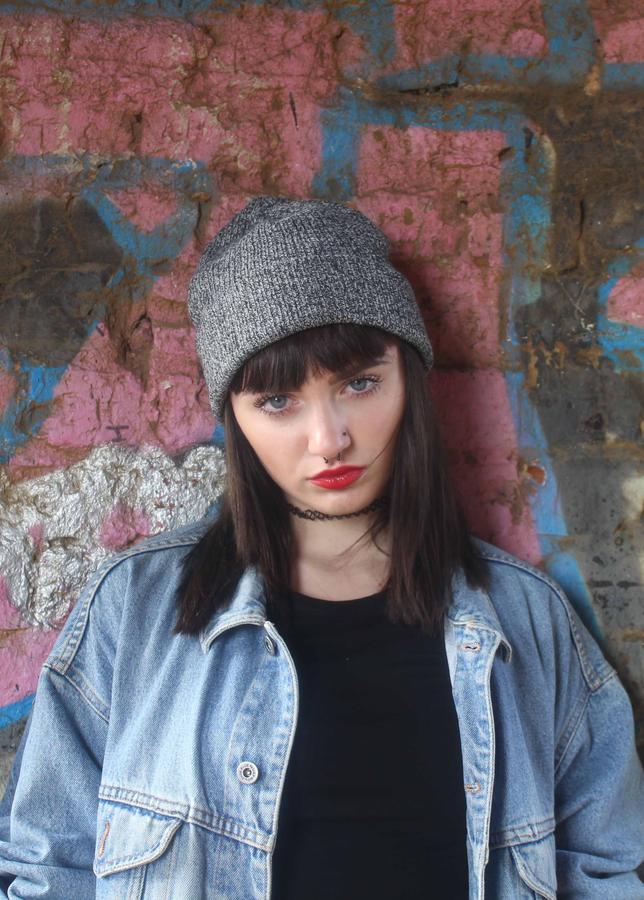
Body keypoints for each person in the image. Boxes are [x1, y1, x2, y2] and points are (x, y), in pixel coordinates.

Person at [0, 197, 642, 899]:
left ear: (409, 379)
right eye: (278, 401)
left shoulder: (528, 623)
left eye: (360, 383)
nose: (329, 438)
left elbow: (605, 871)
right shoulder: (135, 612)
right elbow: (45, 868)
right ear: (234, 416)